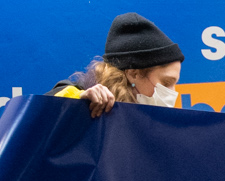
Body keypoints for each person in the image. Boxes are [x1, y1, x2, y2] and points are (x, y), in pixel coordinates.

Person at [49, 12, 184, 116]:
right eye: (166, 82)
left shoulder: (155, 120)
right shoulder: (84, 97)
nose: (173, 93)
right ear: (133, 74)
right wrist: (78, 102)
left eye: (174, 84)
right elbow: (45, 113)